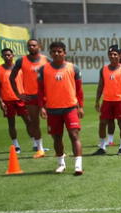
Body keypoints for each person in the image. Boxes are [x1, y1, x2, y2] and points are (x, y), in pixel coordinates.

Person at [36, 41, 84, 175]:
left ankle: (78, 165)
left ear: (64, 52)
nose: (56, 54)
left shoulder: (73, 68)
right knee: (56, 138)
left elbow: (79, 90)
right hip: (52, 109)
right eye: (53, 52)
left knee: (74, 135)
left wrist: (80, 107)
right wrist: (41, 107)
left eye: (59, 51)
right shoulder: (43, 69)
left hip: (70, 108)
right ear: (50, 53)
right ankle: (61, 163)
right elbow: (40, 91)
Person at [9, 39, 49, 158]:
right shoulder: (21, 61)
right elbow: (12, 78)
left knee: (54, 121)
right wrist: (18, 94)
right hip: (30, 97)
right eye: (29, 45)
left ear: (39, 46)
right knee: (34, 123)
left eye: (34, 45)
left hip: (46, 96)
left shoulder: (46, 60)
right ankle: (40, 149)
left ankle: (59, 148)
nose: (31, 47)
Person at [94, 45, 121, 156]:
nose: (113, 56)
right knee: (102, 123)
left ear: (119, 56)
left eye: (115, 54)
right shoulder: (104, 69)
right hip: (107, 101)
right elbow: (100, 85)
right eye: (111, 54)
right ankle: (102, 147)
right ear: (108, 56)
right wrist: (97, 100)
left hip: (120, 101)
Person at [0, 48, 31, 153]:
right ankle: (16, 145)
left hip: (21, 99)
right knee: (11, 123)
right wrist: (0, 101)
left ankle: (36, 144)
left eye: (9, 55)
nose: (7, 57)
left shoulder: (19, 68)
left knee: (29, 121)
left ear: (13, 55)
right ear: (2, 57)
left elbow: (26, 82)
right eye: (5, 55)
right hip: (7, 100)